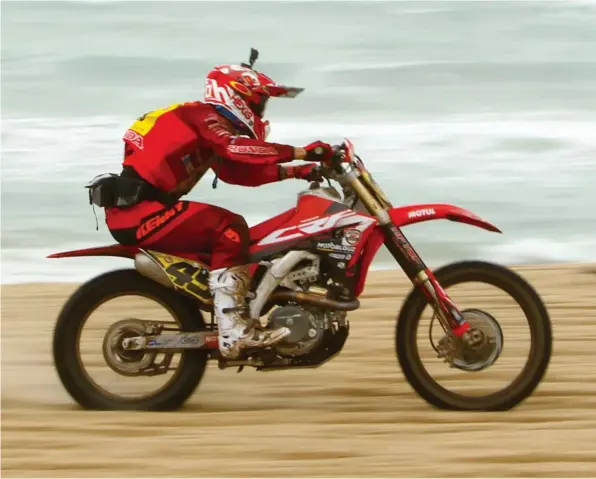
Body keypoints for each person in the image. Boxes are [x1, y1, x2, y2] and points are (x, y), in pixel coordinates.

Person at [102, 59, 334, 360]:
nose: (261, 111)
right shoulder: (203, 116)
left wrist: (297, 171)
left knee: (235, 232)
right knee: (229, 228)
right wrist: (302, 151)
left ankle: (240, 308)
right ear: (236, 96)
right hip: (140, 213)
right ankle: (233, 331)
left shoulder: (205, 124)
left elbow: (236, 173)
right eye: (259, 103)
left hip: (143, 210)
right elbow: (236, 149)